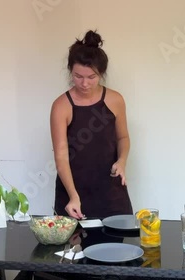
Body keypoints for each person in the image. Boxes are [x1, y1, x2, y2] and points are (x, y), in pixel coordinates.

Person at [51, 30, 133, 219]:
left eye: (91, 77)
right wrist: (73, 196)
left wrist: (122, 161)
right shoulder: (61, 106)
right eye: (78, 76)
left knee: (116, 247)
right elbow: (61, 157)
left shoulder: (115, 100)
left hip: (112, 194)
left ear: (101, 74)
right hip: (73, 195)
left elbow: (123, 137)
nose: (85, 83)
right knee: (73, 249)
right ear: (70, 70)